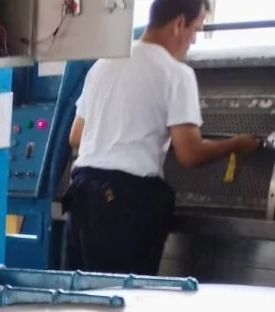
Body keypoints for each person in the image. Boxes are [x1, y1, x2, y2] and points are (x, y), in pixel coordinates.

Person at [63, 0, 263, 276]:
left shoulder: (104, 63)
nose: (194, 40)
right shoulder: (175, 74)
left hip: (82, 197)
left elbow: (76, 135)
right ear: (179, 24)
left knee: (82, 294)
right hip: (125, 204)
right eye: (195, 29)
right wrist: (236, 144)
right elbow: (189, 154)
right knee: (126, 296)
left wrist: (127, 130)